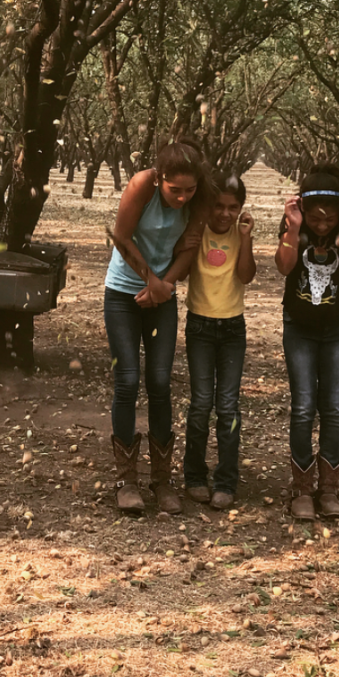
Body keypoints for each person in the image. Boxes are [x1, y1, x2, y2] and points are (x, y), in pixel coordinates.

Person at [105, 139, 210, 515]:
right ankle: (126, 480)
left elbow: (189, 249)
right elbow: (120, 236)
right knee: (128, 380)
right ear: (160, 179)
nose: (183, 198)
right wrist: (150, 278)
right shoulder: (141, 185)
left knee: (161, 381)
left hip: (162, 296)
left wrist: (164, 287)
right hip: (123, 294)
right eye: (174, 190)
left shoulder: (201, 197)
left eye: (189, 190)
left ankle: (162, 480)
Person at [274, 163, 339, 520]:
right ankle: (301, 489)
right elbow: (283, 266)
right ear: (303, 210)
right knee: (303, 407)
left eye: (329, 218)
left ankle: (329, 489)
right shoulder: (294, 225)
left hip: (336, 330)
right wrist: (293, 230)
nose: (322, 224)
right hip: (300, 328)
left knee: (334, 409)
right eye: (316, 218)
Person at [183, 173, 256, 510]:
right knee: (200, 405)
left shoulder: (241, 236)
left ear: (240, 209)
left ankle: (225, 481)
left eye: (232, 207)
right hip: (199, 326)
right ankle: (194, 476)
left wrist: (247, 239)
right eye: (218, 206)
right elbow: (183, 271)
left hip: (231, 331)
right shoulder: (198, 231)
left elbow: (245, 275)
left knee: (227, 407)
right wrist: (196, 226)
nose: (224, 213)